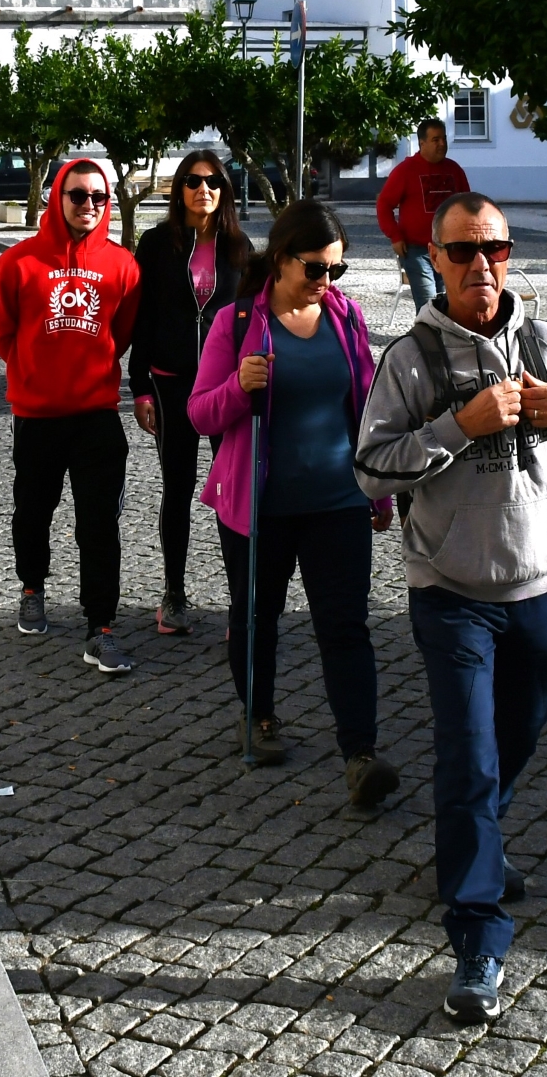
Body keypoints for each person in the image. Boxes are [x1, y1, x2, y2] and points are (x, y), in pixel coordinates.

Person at [354, 191, 547, 1025]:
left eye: (495, 249)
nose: (481, 266)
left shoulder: (546, 341)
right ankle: (477, 935)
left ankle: (479, 842)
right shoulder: (410, 359)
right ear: (433, 258)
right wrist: (456, 426)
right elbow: (369, 466)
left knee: (516, 738)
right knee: (468, 757)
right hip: (451, 594)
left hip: (541, 582)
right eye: (464, 251)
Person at [188, 201, 400, 805]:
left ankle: (360, 753)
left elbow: (363, 406)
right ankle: (258, 715)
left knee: (346, 627)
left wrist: (378, 488)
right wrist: (239, 385)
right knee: (256, 618)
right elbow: (200, 412)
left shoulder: (346, 318)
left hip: (337, 500)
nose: (325, 282)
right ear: (280, 259)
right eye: (314, 269)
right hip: (261, 505)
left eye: (336, 270)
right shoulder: (235, 323)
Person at [0, 157, 143, 673]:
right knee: (33, 511)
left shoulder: (123, 265)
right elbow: (1, 333)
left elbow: (121, 334)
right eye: (79, 195)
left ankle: (101, 626)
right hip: (37, 415)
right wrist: (35, 369)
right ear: (59, 197)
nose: (89, 206)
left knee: (99, 525)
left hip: (97, 415)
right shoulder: (17, 263)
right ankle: (32, 586)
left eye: (99, 197)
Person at [129, 150, 251, 635]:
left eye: (214, 182)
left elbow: (251, 318)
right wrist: (139, 387)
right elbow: (143, 319)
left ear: (224, 191)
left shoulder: (240, 247)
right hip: (170, 383)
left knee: (231, 491)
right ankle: (174, 593)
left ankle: (239, 600)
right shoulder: (156, 244)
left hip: (226, 388)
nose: (205, 189)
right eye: (194, 181)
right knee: (176, 488)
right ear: (179, 189)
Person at [376, 118, 469, 312]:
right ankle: (428, 340)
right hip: (417, 250)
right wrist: (395, 235)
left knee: (450, 301)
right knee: (428, 302)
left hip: (450, 249)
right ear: (422, 143)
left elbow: (466, 205)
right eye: (435, 140)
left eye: (444, 139)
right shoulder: (405, 171)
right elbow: (384, 204)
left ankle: (447, 339)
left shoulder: (454, 170)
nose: (442, 144)